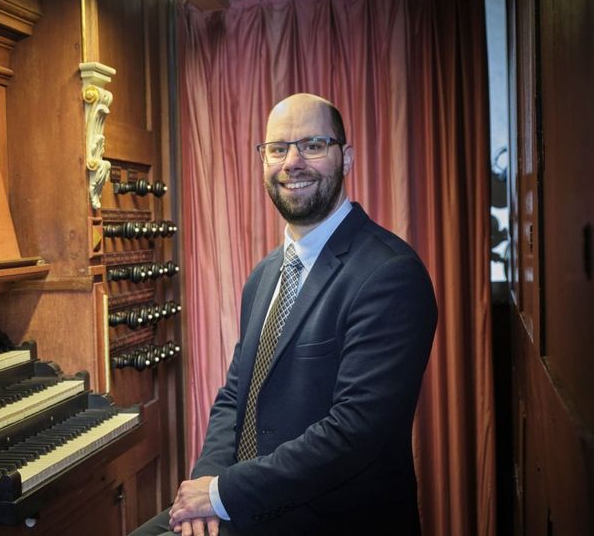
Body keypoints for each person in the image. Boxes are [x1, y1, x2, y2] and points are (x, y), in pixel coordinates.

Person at [131, 93, 437, 536]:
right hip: (248, 503)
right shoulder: (265, 274)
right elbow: (236, 395)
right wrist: (206, 487)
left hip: (328, 517)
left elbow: (352, 433)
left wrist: (222, 493)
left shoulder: (390, 274)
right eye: (277, 148)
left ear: (345, 158)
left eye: (312, 145)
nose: (292, 162)